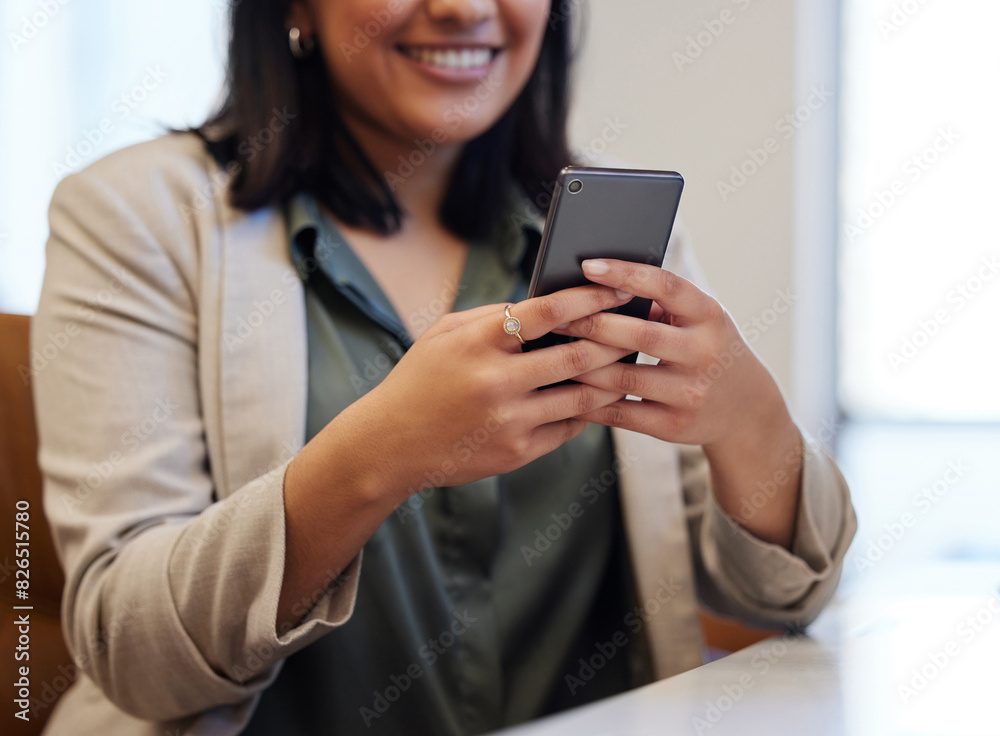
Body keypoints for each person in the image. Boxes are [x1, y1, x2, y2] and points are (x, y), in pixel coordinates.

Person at [33, 1, 856, 734]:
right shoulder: (134, 218)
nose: (464, 9)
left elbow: (786, 598)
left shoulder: (614, 231)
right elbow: (131, 650)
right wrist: (379, 454)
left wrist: (751, 423)